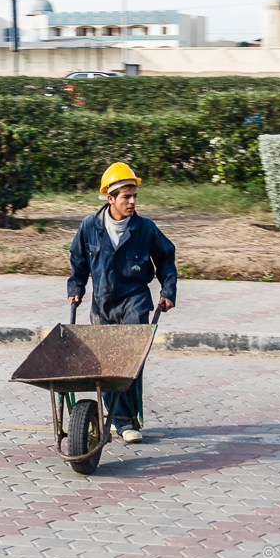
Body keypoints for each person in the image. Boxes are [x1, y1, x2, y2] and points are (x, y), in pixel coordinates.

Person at [67, 162, 177, 444]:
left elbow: (165, 258)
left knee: (128, 359)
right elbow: (78, 261)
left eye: (134, 196)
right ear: (110, 198)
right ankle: (116, 418)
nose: (132, 202)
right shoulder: (90, 226)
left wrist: (168, 290)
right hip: (102, 302)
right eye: (126, 196)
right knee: (105, 364)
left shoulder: (145, 228)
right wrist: (76, 287)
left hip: (135, 299)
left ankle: (127, 421)